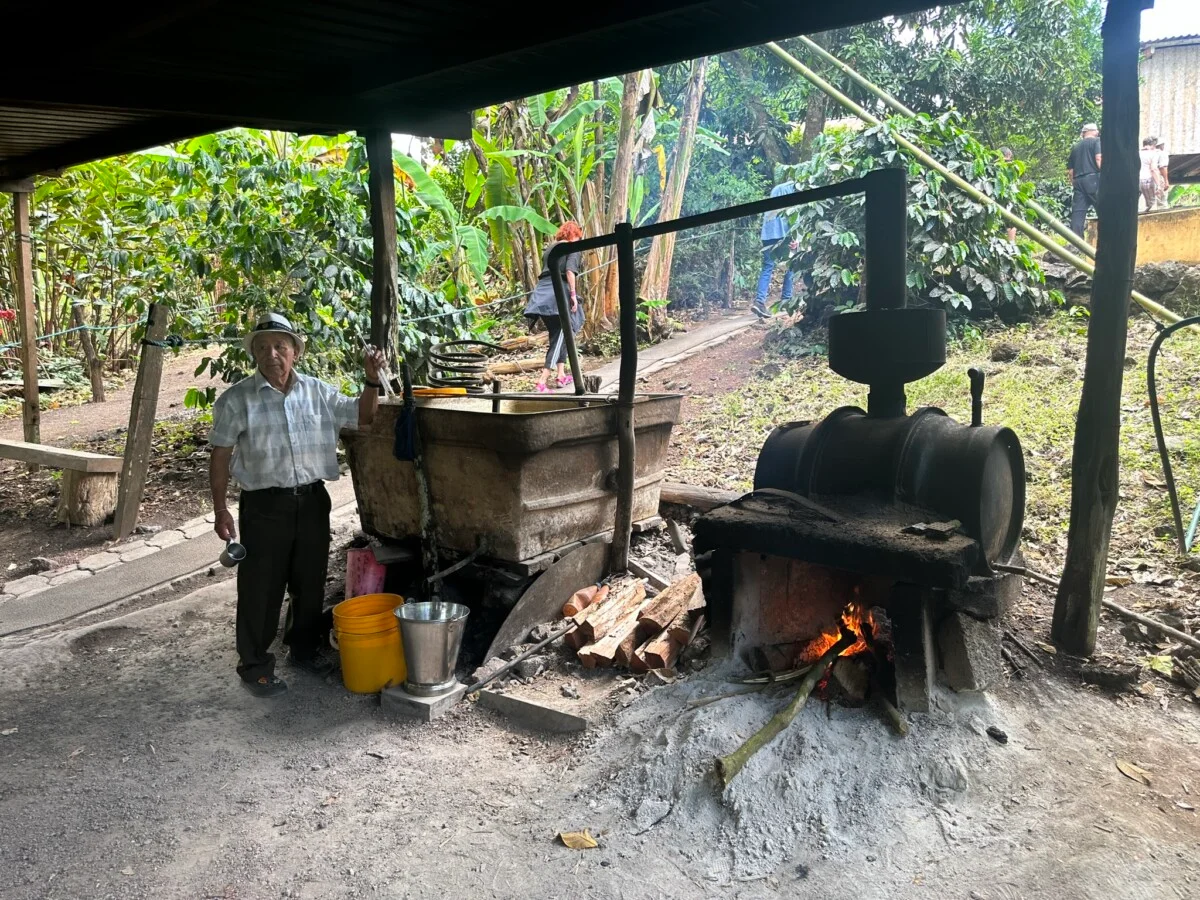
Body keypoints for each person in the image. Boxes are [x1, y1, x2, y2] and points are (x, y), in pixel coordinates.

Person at [209, 313, 385, 698]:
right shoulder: (236, 400)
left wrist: (372, 379)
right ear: (254, 353)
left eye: (280, 346)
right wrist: (221, 509)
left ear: (295, 353)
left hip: (311, 501)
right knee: (261, 588)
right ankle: (254, 664)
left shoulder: (317, 392)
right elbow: (220, 456)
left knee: (309, 582)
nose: (272, 354)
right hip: (263, 506)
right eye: (263, 347)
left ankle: (303, 649)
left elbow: (364, 416)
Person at [524, 222, 584, 392]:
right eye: (578, 237)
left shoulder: (551, 248)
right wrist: (573, 295)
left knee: (558, 334)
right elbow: (570, 271)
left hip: (542, 295)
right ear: (574, 235)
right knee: (566, 330)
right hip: (558, 293)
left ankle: (561, 375)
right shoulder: (572, 248)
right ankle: (542, 380)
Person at [754, 179, 799, 318]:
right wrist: (796, 238)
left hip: (768, 233)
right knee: (791, 265)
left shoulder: (777, 188)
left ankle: (759, 302)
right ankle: (786, 300)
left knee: (767, 266)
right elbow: (795, 216)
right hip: (785, 234)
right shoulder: (796, 190)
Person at [1067, 123, 1102, 236]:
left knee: (1078, 213)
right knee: (1104, 209)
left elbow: (1071, 171)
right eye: (1097, 130)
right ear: (1093, 131)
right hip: (1094, 179)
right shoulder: (1097, 141)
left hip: (1078, 182)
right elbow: (1098, 158)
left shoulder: (1076, 147)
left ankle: (1076, 244)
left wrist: (1074, 183)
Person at [1000, 148, 1018, 241]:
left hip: (1000, 196)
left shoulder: (994, 165)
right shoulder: (1010, 166)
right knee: (1011, 222)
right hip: (1008, 197)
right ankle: (1011, 244)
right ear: (1008, 155)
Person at [1140, 137, 1162, 212]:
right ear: (1153, 145)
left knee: (1132, 202)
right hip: (1147, 179)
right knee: (1151, 204)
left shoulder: (1136, 153)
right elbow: (1153, 169)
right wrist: (1158, 185)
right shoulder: (1153, 154)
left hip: (1135, 180)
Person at [1156, 137, 1171, 209]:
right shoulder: (1162, 154)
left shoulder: (1148, 153)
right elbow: (1162, 167)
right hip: (1159, 178)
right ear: (1161, 145)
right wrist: (1166, 181)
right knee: (1162, 201)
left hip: (1148, 178)